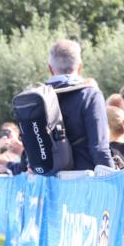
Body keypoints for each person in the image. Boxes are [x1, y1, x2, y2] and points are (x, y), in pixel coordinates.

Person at [44, 39, 112, 171]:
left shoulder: (38, 97)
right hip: (82, 181)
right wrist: (113, 181)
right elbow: (99, 148)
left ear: (50, 69)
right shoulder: (90, 95)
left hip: (45, 181)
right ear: (80, 67)